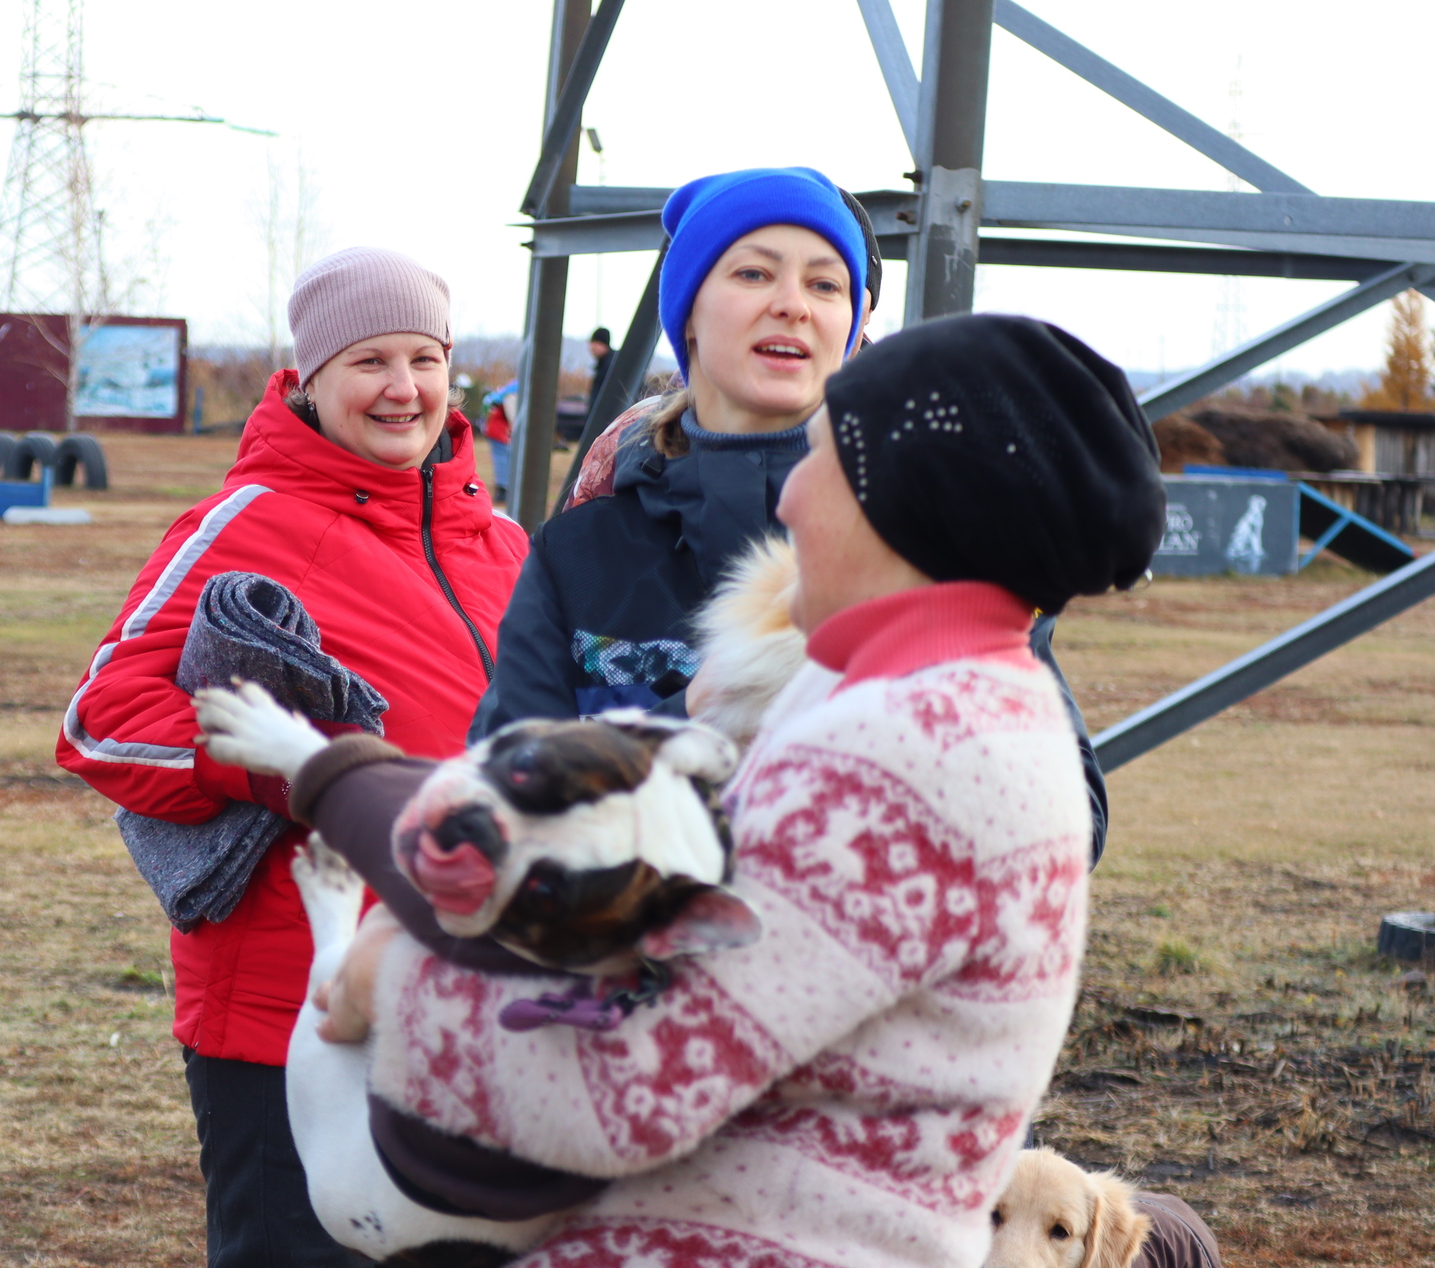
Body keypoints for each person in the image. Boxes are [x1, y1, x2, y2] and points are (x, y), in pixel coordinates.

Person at [203, 311, 1167, 1268]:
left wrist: (389, 981)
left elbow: (630, 1095)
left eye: (818, 467)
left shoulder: (908, 753)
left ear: (910, 509)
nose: (787, 496)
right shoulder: (933, 706)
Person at [56, 247, 529, 1268]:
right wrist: (287, 767)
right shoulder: (246, 522)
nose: (403, 388)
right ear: (308, 377)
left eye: (425, 357)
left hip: (472, 1007)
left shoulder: (505, 545)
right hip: (288, 1006)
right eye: (369, 360)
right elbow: (98, 718)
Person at [475, 166, 1113, 862]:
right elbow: (493, 813)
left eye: (824, 284)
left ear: (854, 324)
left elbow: (1068, 824)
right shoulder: (578, 553)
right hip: (630, 967)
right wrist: (689, 717)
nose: (793, 305)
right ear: (686, 307)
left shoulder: (942, 548)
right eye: (753, 274)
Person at [480, 377, 517, 501]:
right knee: (502, 460)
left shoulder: (504, 395)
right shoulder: (510, 397)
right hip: (498, 432)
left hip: (497, 431)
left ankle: (504, 488)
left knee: (504, 459)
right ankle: (502, 490)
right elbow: (512, 417)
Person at [584, 325, 616, 416]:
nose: (592, 347)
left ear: (604, 344)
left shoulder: (610, 365)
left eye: (595, 343)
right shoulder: (604, 363)